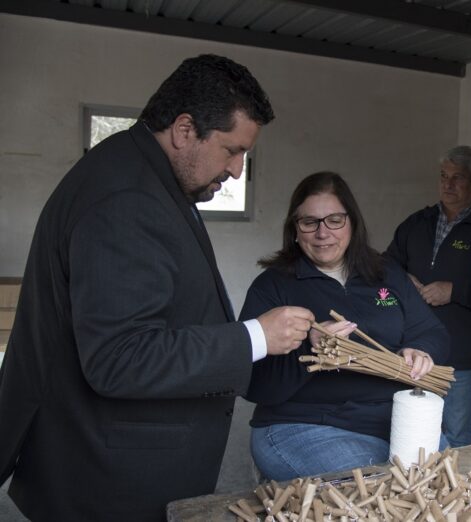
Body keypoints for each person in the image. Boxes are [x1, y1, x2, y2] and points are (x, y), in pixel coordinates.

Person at [0, 55, 315, 521]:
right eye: (232, 150)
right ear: (185, 130)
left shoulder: (144, 176)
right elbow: (119, 357)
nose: (236, 170)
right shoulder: (125, 198)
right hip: (107, 482)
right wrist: (254, 337)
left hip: (113, 464)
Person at [240, 171, 449, 481]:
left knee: (445, 483)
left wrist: (421, 349)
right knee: (377, 493)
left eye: (334, 220)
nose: (323, 233)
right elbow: (250, 380)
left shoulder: (386, 273)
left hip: (393, 419)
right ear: (295, 230)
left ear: (352, 223)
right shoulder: (273, 286)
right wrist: (308, 347)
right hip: (306, 425)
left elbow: (430, 331)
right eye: (309, 222)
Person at [386, 146, 471, 447]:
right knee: (410, 433)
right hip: (412, 351)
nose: (448, 184)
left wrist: (454, 290)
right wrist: (404, 281)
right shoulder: (417, 223)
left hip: (460, 358)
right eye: (443, 176)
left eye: (458, 178)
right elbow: (384, 269)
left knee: (456, 439)